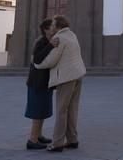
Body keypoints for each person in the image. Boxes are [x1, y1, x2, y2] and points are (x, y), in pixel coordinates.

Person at [35, 15, 86, 152]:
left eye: (53, 25)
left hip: (66, 77)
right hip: (78, 75)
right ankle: (72, 139)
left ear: (58, 26)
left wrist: (36, 64)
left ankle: (57, 143)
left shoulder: (60, 38)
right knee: (72, 109)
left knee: (62, 110)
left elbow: (51, 60)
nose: (51, 28)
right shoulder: (72, 35)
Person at [24, 18, 57, 149]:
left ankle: (39, 135)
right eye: (52, 26)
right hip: (37, 82)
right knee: (38, 111)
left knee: (42, 110)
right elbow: (37, 59)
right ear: (46, 29)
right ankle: (32, 140)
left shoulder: (47, 41)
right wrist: (51, 46)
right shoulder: (41, 41)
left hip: (44, 82)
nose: (55, 29)